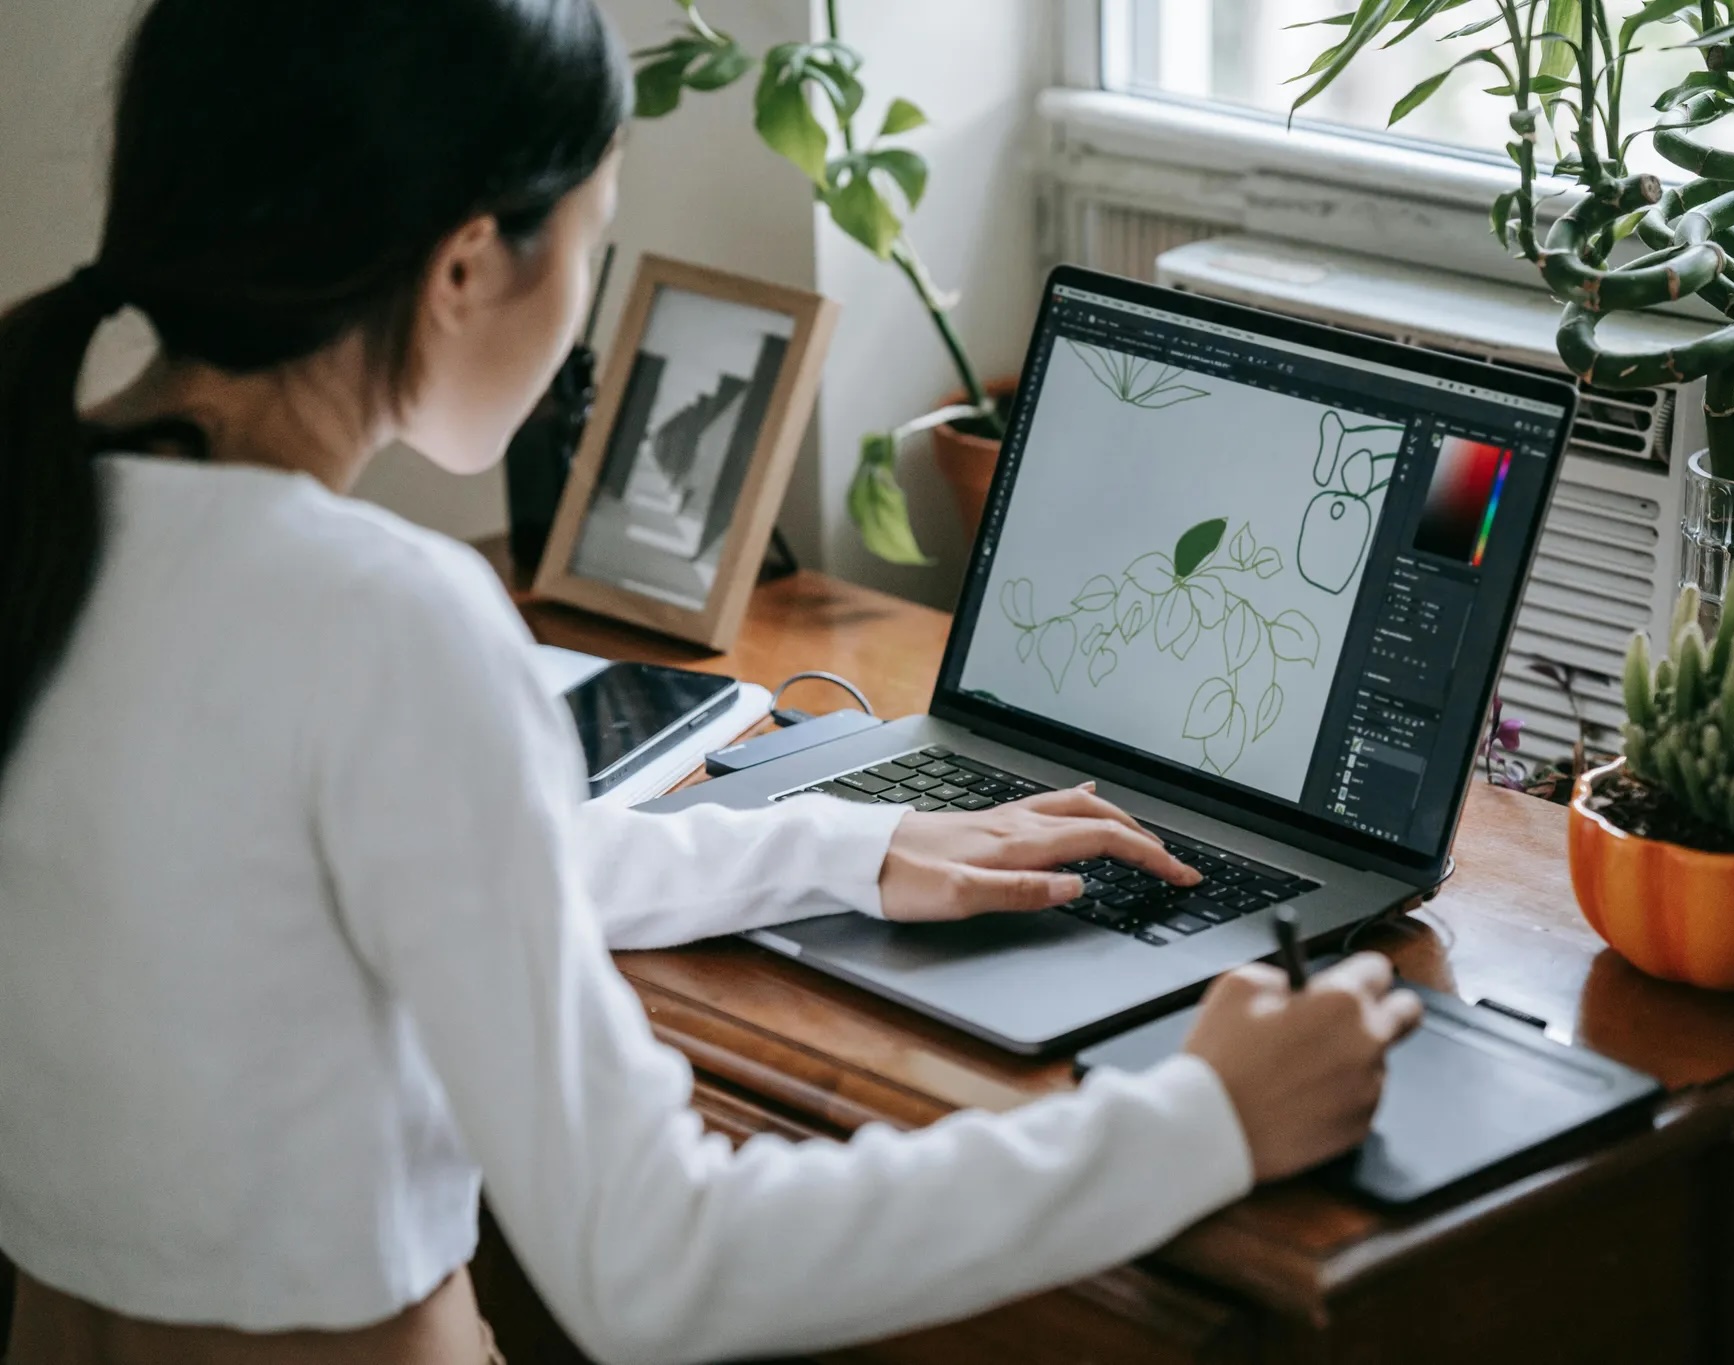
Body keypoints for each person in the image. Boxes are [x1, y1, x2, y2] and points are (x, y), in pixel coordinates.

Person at [0, 2, 1423, 1362]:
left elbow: (366, 867)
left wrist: (849, 844)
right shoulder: (382, 621)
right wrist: (1202, 1120)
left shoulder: (46, 525)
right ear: (464, 266)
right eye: (593, 245)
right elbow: (650, 1262)